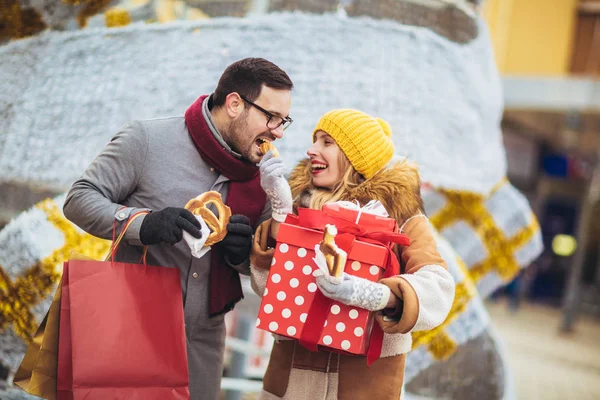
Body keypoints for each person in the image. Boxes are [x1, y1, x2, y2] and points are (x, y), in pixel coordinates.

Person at [63, 57, 294, 400]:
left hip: (203, 339)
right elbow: (79, 199)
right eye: (271, 117)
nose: (277, 131)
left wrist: (242, 255)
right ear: (234, 104)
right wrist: (143, 223)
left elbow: (262, 269)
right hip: (129, 322)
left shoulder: (267, 180)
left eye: (283, 120)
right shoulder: (146, 139)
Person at [251, 109, 455, 399]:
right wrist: (280, 216)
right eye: (314, 141)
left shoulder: (402, 215)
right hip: (290, 385)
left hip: (363, 387)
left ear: (354, 157)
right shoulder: (301, 209)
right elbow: (266, 288)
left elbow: (440, 288)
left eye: (326, 142)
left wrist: (377, 296)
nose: (311, 150)